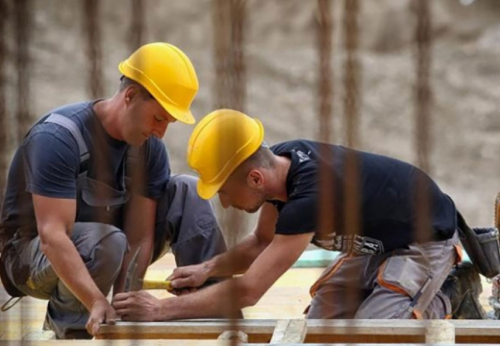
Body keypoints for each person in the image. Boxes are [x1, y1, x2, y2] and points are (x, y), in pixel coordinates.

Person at [112, 108, 463, 321]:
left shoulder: (310, 195)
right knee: (319, 328)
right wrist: (208, 268)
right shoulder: (278, 165)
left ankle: (452, 294)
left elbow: (250, 291)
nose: (226, 204)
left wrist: (159, 311)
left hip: (424, 242)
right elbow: (262, 242)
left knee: (376, 336)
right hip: (378, 244)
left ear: (254, 179)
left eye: (224, 192)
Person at [0, 43, 226, 339]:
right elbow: (52, 237)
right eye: (158, 118)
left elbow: (140, 236)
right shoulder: (58, 138)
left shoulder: (149, 149)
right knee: (107, 241)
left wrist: (123, 303)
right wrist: (96, 300)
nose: (160, 132)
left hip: (107, 245)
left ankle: (210, 306)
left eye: (167, 123)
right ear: (130, 96)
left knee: (186, 191)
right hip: (29, 259)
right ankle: (72, 329)